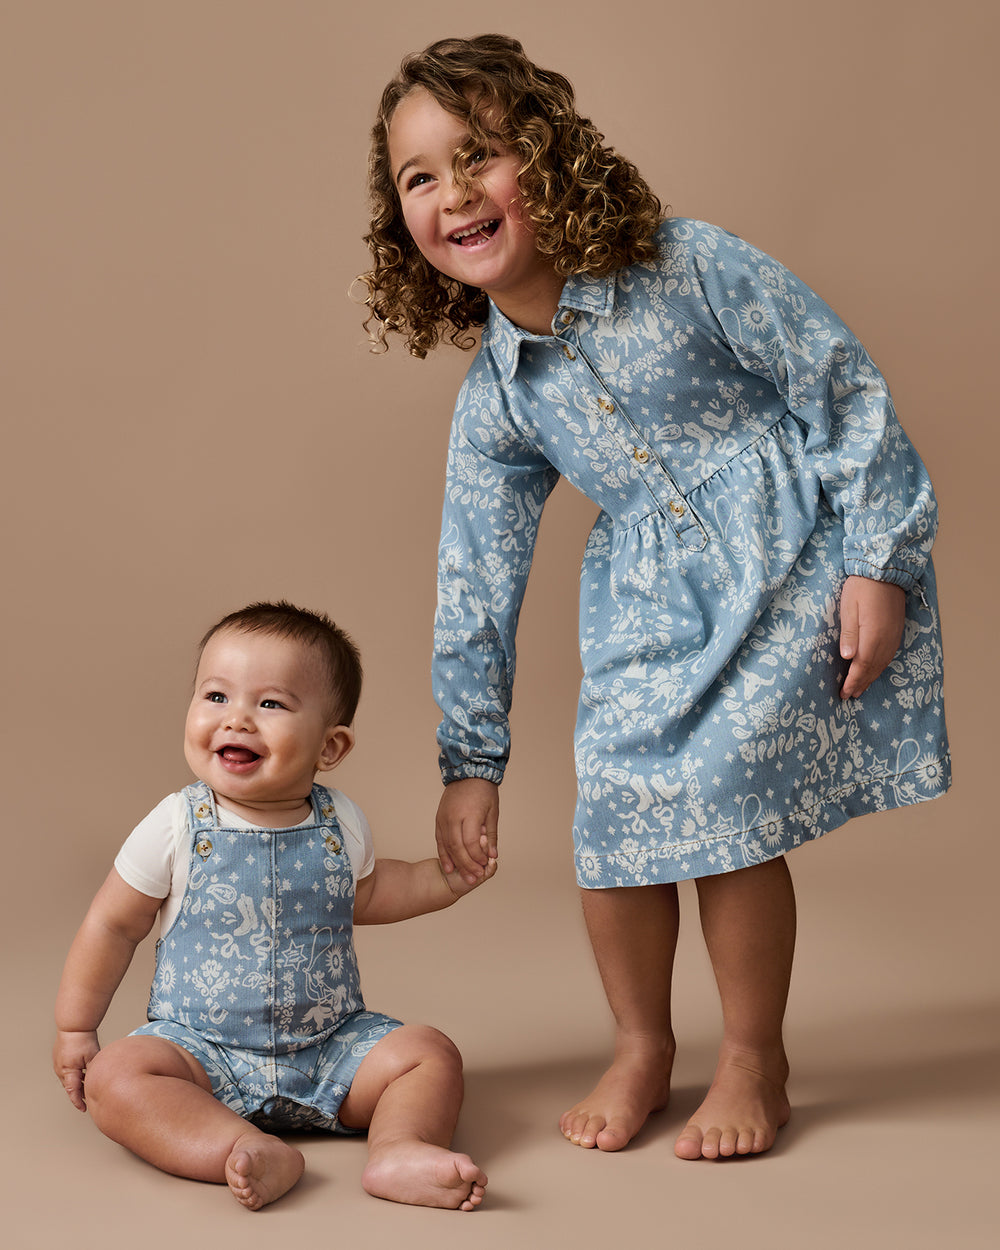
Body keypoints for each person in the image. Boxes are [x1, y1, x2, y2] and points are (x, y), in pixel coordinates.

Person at [359, 34, 951, 1161]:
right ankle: (641, 1042)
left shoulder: (686, 263)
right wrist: (469, 759)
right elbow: (475, 577)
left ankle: (751, 1054)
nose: (452, 193)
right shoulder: (496, 396)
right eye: (418, 177)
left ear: (546, 158)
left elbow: (838, 381)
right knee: (615, 814)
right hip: (647, 604)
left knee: (724, 803)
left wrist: (881, 556)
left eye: (477, 155)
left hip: (790, 562)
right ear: (402, 223)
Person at [53, 602, 491, 1211]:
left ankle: (400, 1147)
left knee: (430, 1054)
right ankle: (242, 1147)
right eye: (215, 696)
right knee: (117, 1078)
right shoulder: (177, 824)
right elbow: (112, 924)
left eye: (271, 704)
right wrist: (77, 1026)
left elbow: (366, 894)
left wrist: (445, 879)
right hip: (200, 1053)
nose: (237, 719)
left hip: (332, 1046)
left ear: (330, 746)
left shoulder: (343, 822)